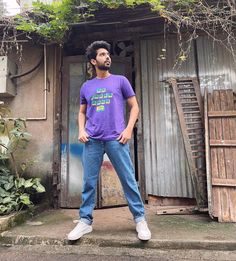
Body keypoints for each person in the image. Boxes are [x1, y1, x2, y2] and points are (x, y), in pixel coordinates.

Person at [67, 40, 151, 241]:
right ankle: (85, 221)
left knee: (128, 180)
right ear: (94, 61)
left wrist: (129, 129)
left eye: (108, 54)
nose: (108, 57)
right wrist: (81, 129)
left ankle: (140, 219)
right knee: (89, 182)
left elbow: (135, 107)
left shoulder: (121, 81)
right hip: (93, 140)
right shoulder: (87, 86)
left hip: (116, 139)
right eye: (103, 54)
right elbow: (81, 112)